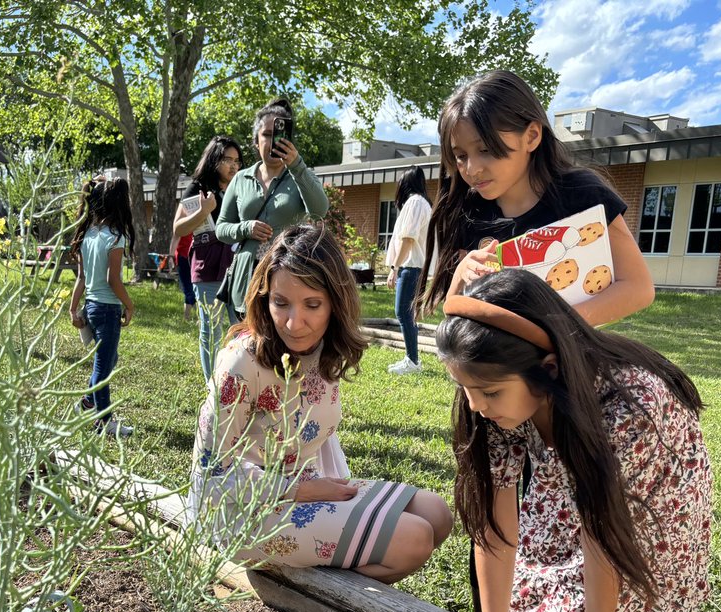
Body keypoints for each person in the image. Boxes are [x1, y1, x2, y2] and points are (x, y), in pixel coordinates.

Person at [435, 268, 712, 612]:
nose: (475, 406)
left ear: (548, 368)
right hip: (573, 458)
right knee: (528, 609)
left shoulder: (628, 409)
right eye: (465, 389)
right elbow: (494, 526)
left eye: (487, 392)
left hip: (647, 488)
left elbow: (602, 533)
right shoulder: (491, 390)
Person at [188, 223, 452, 584]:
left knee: (437, 514)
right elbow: (209, 477)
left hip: (308, 490)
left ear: (335, 303)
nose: (294, 323)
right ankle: (325, 593)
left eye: (312, 304)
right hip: (242, 514)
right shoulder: (241, 363)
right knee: (414, 538)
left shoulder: (323, 351)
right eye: (281, 303)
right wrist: (301, 491)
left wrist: (318, 489)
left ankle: (328, 566)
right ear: (265, 298)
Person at [420, 70, 654, 327]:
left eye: (485, 149)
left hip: (566, 362)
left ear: (531, 136)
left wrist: (555, 329)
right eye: (461, 156)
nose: (472, 169)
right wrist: (461, 275)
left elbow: (638, 287)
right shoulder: (469, 210)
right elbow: (454, 312)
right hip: (492, 365)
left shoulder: (582, 195)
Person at [216, 97, 330, 317]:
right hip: (246, 277)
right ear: (256, 141)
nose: (272, 141)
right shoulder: (241, 179)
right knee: (245, 342)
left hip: (286, 275)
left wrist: (296, 165)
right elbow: (221, 229)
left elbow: (319, 210)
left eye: (277, 135)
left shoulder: (299, 175)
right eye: (266, 135)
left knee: (281, 340)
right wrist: (245, 228)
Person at [68, 176, 136, 438]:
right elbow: (113, 279)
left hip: (91, 308)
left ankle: (87, 402)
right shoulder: (115, 238)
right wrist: (129, 305)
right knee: (102, 369)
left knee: (107, 360)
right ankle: (103, 422)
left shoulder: (88, 236)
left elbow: (82, 279)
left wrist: (73, 309)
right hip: (107, 310)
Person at [173, 135, 242, 381]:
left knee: (242, 329)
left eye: (237, 161)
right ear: (214, 160)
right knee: (211, 330)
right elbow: (179, 228)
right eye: (227, 160)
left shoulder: (242, 186)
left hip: (238, 266)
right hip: (208, 265)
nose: (233, 166)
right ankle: (212, 386)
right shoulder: (199, 188)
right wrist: (203, 210)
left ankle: (236, 382)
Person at [384, 166, 433, 375]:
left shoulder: (414, 202)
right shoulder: (423, 203)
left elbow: (408, 238)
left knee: (403, 313)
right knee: (407, 314)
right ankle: (411, 359)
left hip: (410, 267)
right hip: (414, 267)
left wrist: (394, 268)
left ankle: (412, 361)